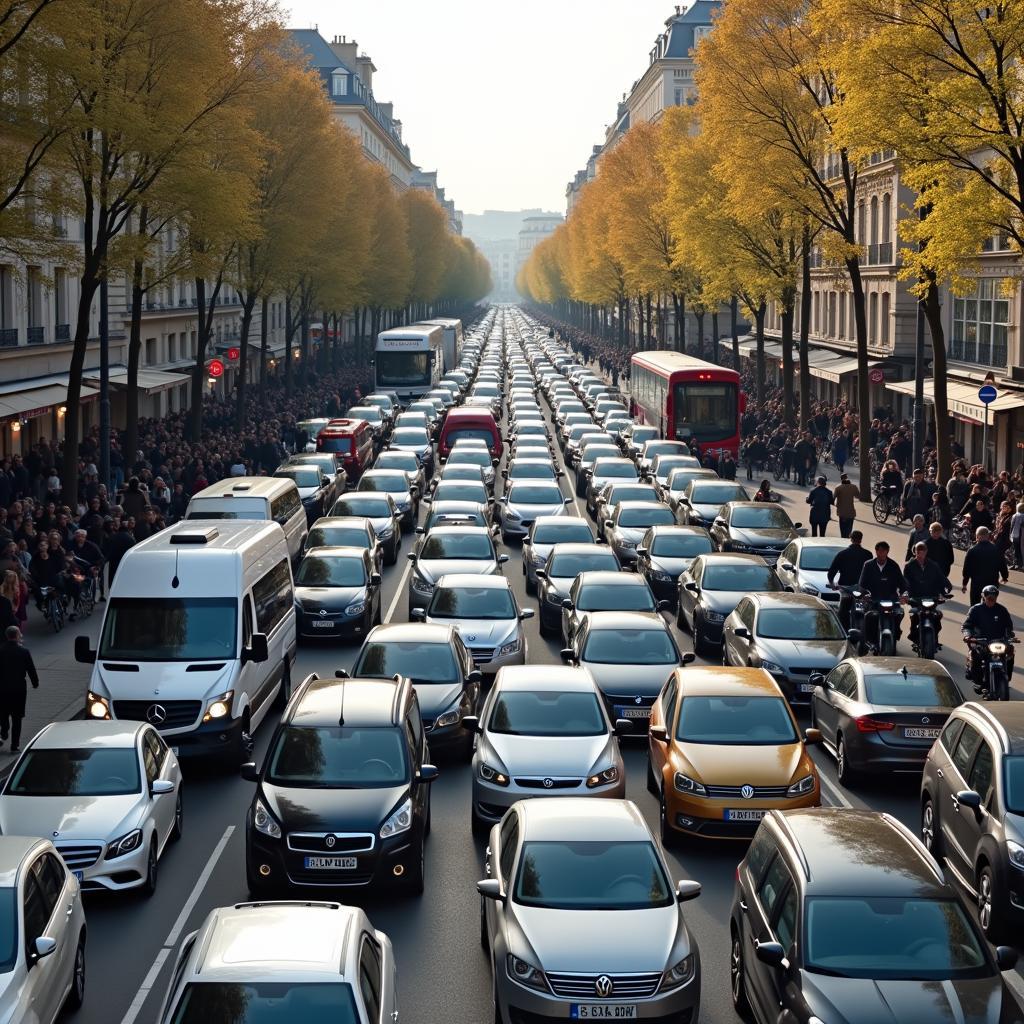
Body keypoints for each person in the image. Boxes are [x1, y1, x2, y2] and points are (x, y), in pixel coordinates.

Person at [962, 585, 1015, 695]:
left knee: (1010, 651)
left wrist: (1009, 636)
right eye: (988, 596)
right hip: (981, 641)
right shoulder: (975, 610)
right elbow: (967, 626)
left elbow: (1008, 627)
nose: (991, 598)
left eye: (994, 596)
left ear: (996, 597)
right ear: (983, 596)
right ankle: (978, 682)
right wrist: (968, 636)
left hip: (998, 642)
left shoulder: (1002, 610)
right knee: (975, 654)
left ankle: (1006, 678)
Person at [858, 540, 907, 648]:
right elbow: (862, 584)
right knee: (869, 617)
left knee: (899, 614)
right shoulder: (868, 565)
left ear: (887, 551)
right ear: (876, 551)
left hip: (891, 600)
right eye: (879, 551)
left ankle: (896, 634)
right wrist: (864, 595)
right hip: (874, 600)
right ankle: (870, 641)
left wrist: (904, 595)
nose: (881, 553)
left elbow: (902, 584)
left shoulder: (893, 565)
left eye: (884, 551)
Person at [0, 626, 38, 752]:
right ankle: (14, 746)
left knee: (3, 713)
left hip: (3, 689)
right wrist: (35, 682)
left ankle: (4, 731)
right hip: (19, 689)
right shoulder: (24, 652)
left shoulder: (1, 650)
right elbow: (31, 669)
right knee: (17, 718)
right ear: (17, 636)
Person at [903, 541, 949, 648]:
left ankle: (935, 638)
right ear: (915, 552)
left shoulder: (934, 565)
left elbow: (942, 579)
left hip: (931, 597)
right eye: (918, 552)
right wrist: (906, 594)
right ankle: (914, 636)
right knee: (914, 615)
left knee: (937, 616)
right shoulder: (909, 566)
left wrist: (945, 591)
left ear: (926, 552)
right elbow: (905, 582)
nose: (920, 555)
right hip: (916, 598)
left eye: (923, 552)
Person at [827, 530, 873, 631]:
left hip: (846, 589)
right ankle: (862, 631)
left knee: (843, 612)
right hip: (861, 591)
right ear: (861, 540)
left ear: (850, 538)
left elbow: (831, 572)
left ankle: (844, 631)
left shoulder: (842, 554)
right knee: (861, 610)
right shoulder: (868, 555)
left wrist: (832, 584)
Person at [962, 526, 1008, 606]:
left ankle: (975, 618)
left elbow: (967, 569)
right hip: (992, 581)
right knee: (989, 605)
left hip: (977, 583)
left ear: (977, 536)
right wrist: (1004, 576)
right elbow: (1002, 564)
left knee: (974, 604)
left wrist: (964, 583)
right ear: (988, 536)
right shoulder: (996, 549)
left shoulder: (972, 551)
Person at [833, 473, 858, 539]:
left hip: (842, 512)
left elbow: (833, 498)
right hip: (851, 512)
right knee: (849, 530)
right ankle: (848, 540)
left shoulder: (838, 487)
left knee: (843, 531)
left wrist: (836, 505)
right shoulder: (854, 487)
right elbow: (858, 496)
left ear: (841, 479)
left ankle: (843, 540)